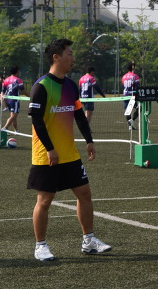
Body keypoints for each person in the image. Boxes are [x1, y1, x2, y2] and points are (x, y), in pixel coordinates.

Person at [27, 38, 112, 261]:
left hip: (70, 154)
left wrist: (89, 140)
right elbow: (37, 121)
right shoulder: (41, 86)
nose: (73, 58)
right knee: (45, 200)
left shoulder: (71, 85)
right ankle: (40, 246)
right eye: (69, 54)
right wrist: (50, 148)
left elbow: (78, 115)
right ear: (56, 57)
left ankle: (89, 241)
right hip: (47, 155)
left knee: (84, 194)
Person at [1, 66, 25, 132]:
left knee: (13, 115)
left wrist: (2, 96)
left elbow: (2, 91)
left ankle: (16, 129)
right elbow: (23, 90)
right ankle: (5, 127)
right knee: (14, 116)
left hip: (8, 100)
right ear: (17, 71)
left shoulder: (6, 80)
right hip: (14, 100)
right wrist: (30, 96)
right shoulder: (18, 80)